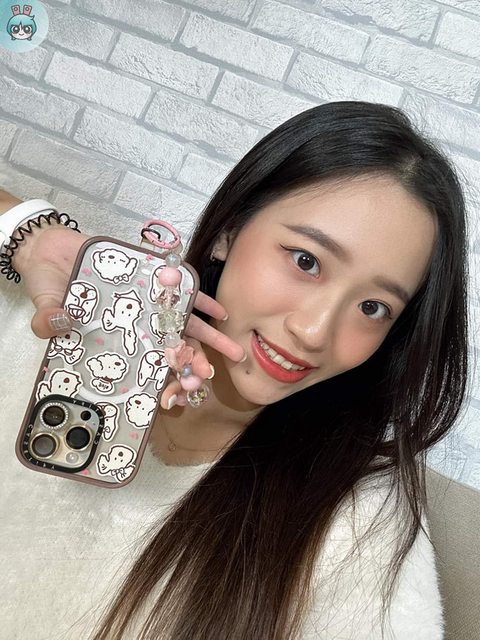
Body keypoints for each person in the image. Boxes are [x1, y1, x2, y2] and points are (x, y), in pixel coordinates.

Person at [0, 101, 469, 639]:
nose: (314, 331)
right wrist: (26, 234)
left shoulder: (359, 524)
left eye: (373, 307)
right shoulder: (58, 327)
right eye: (306, 261)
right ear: (229, 230)